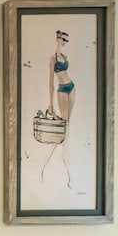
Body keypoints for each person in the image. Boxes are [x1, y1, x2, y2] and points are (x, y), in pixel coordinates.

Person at [41, 30, 75, 188]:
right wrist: (50, 103)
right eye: (63, 39)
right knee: (64, 126)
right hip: (62, 89)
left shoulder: (64, 57)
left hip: (72, 87)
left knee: (68, 125)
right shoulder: (53, 58)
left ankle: (66, 165)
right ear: (58, 39)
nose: (65, 42)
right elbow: (51, 82)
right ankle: (55, 165)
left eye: (67, 40)